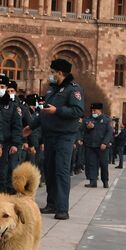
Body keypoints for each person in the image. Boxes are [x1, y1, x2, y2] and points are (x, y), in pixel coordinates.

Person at [40, 58, 84, 219]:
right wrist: (31, 126)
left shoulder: (73, 90)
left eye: (52, 72)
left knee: (61, 171)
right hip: (50, 135)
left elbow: (77, 111)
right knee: (49, 170)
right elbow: (45, 111)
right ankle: (51, 203)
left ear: (60, 73)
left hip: (64, 136)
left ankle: (62, 208)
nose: (50, 75)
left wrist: (57, 110)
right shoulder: (52, 90)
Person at [0, 74, 23, 194]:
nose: (0, 89)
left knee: (2, 174)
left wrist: (15, 143)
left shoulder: (12, 105)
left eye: (2, 86)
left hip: (5, 143)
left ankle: (2, 196)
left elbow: (17, 126)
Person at [82, 102, 113, 188]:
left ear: (100, 110)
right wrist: (88, 128)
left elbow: (109, 132)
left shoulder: (107, 120)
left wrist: (105, 143)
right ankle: (93, 181)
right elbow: (82, 130)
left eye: (95, 110)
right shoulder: (88, 119)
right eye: (92, 110)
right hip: (90, 146)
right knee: (92, 164)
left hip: (102, 146)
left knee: (104, 164)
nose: (93, 112)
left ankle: (105, 181)